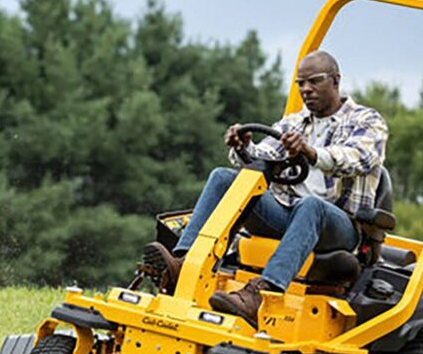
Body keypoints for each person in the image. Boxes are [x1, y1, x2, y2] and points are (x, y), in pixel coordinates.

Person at [143, 51, 389, 327]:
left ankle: (262, 294)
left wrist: (311, 153)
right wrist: (243, 146)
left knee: (312, 207)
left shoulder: (367, 121)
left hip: (337, 225)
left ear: (335, 80)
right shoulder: (294, 122)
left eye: (314, 81)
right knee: (223, 177)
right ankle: (184, 262)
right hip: (286, 214)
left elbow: (358, 158)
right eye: (301, 83)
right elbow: (263, 155)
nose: (306, 89)